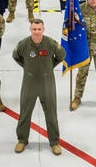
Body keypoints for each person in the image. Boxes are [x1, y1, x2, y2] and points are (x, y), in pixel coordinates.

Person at [13, 19, 65, 155]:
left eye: (39, 29)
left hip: (46, 82)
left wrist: (49, 67)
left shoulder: (50, 43)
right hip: (29, 82)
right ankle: (22, 140)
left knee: (51, 112)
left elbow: (61, 55)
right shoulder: (24, 44)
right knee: (25, 112)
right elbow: (16, 56)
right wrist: (27, 67)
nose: (37, 32)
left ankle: (54, 142)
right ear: (30, 30)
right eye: (34, 29)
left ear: (43, 29)